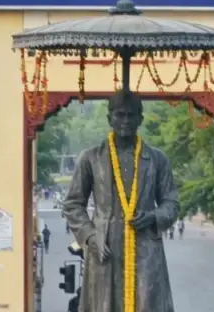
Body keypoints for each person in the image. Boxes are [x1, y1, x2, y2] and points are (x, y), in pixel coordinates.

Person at [62, 90, 181, 312]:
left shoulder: (157, 159)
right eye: (120, 115)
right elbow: (72, 204)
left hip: (145, 248)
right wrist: (90, 237)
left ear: (140, 119)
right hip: (105, 248)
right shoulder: (91, 158)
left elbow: (172, 203)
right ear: (110, 118)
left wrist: (154, 216)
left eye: (131, 115)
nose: (125, 121)